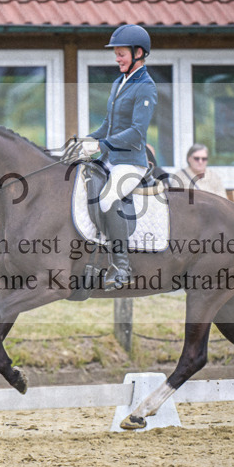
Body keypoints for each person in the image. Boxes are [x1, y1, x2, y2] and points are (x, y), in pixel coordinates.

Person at [78, 24, 157, 289]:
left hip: (131, 162)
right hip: (111, 158)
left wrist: (104, 143)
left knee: (107, 198)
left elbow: (136, 132)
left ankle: (121, 267)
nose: (117, 58)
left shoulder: (146, 87)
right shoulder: (118, 83)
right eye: (117, 53)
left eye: (121, 53)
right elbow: (108, 124)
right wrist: (87, 139)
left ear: (138, 53)